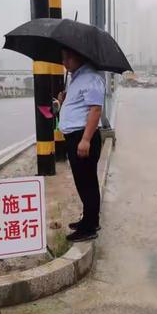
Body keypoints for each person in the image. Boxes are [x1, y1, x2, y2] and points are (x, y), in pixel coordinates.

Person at [58, 48, 105, 242]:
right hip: (75, 136)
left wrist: (85, 139)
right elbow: (79, 107)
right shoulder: (77, 78)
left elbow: (95, 110)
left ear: (81, 56)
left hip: (83, 137)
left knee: (87, 184)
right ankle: (88, 219)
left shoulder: (91, 78)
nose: (65, 61)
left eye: (69, 57)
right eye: (63, 58)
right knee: (83, 182)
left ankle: (90, 227)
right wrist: (64, 101)